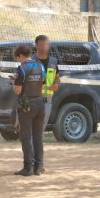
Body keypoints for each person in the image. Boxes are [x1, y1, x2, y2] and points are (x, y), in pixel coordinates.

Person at [12, 45, 46, 176]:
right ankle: (38, 167)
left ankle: (28, 168)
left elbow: (17, 90)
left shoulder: (21, 68)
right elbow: (42, 82)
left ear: (20, 56)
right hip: (40, 103)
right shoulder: (40, 65)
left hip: (26, 105)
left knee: (26, 136)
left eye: (17, 58)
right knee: (38, 136)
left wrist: (14, 81)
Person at [32, 35, 60, 173]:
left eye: (46, 44)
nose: (44, 47)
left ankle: (38, 163)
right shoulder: (30, 60)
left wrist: (56, 85)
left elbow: (57, 79)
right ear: (36, 45)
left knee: (39, 132)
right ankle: (32, 162)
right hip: (32, 99)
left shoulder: (54, 61)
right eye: (42, 44)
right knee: (31, 132)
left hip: (46, 100)